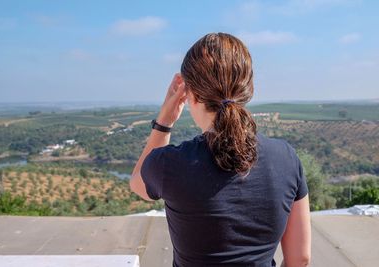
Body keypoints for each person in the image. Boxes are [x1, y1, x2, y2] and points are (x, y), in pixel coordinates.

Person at [130, 32, 311, 267]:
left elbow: (136, 182)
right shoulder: (287, 158)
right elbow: (301, 258)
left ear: (191, 95)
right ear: (249, 89)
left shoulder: (170, 164)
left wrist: (164, 121)